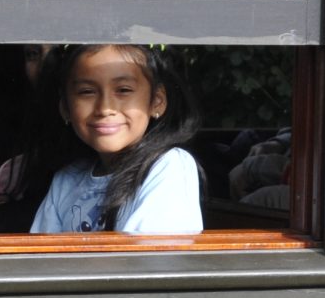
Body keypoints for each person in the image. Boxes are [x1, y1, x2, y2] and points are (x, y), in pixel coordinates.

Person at [29, 43, 204, 235]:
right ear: (65, 108)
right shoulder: (68, 179)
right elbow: (41, 258)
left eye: (123, 90)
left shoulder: (169, 165)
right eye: (87, 91)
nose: (105, 108)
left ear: (157, 101)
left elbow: (145, 259)